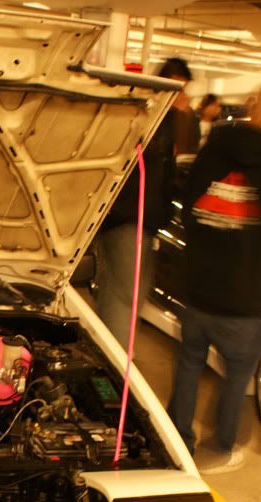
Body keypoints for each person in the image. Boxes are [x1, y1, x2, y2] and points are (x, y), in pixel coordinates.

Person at [166, 79, 261, 473]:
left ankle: (176, 439)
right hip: (243, 298)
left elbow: (189, 207)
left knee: (189, 365)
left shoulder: (214, 151)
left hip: (198, 288)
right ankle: (220, 447)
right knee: (236, 377)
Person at [93, 57, 188, 349]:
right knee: (126, 294)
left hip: (123, 217)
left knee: (118, 290)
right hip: (130, 219)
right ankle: (117, 363)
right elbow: (149, 178)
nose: (187, 99)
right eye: (183, 90)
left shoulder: (151, 120)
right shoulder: (154, 122)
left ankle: (110, 354)